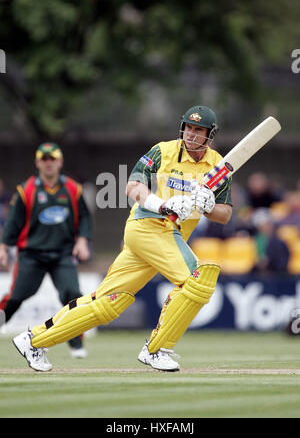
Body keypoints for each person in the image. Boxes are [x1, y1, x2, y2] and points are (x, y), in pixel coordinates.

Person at [12, 106, 232, 372]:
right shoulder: (163, 151)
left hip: (165, 240)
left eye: (199, 130)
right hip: (148, 227)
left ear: (210, 134)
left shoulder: (217, 165)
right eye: (188, 127)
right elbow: (132, 187)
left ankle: (33, 340)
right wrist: (164, 205)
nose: (191, 134)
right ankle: (157, 349)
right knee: (198, 279)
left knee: (107, 303)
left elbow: (225, 215)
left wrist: (208, 205)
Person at [0, 143, 92, 358]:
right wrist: (4, 246)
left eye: (53, 159)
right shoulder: (27, 190)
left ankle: (76, 344)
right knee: (16, 296)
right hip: (32, 254)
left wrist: (83, 241)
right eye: (45, 159)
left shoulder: (72, 188)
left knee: (72, 295)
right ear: (37, 162)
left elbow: (85, 217)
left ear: (60, 162)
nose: (49, 163)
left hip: (63, 254)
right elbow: (12, 222)